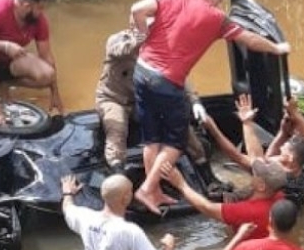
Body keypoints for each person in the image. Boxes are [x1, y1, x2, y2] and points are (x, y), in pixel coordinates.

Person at [130, 0, 291, 214]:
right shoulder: (216, 17)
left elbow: (136, 9)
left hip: (141, 71)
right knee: (174, 141)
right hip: (167, 82)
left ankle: (155, 190)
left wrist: (144, 36)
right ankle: (147, 189)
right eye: (219, 1)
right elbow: (248, 39)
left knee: (152, 138)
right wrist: (277, 47)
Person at [94, 28, 226, 192]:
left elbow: (180, 78)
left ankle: (209, 179)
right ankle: (120, 180)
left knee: (184, 129)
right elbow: (118, 51)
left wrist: (195, 101)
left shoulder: (166, 49)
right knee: (117, 129)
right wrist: (145, 41)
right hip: (114, 98)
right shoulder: (119, 39)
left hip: (145, 98)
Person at [201, 94, 304, 207]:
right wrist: (294, 113)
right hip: (293, 211)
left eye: (283, 151)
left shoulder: (281, 177)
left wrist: (216, 128)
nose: (281, 149)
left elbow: (244, 157)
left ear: (290, 159)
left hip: (274, 211)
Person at [60, 173, 176, 250]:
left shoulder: (85, 217)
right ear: (126, 198)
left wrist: (68, 193)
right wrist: (169, 246)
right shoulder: (131, 231)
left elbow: (67, 207)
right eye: (131, 192)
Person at [160, 156, 286, 240]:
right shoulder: (280, 197)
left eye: (254, 174)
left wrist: (181, 184)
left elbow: (207, 207)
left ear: (261, 186)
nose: (251, 175)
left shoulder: (245, 211)